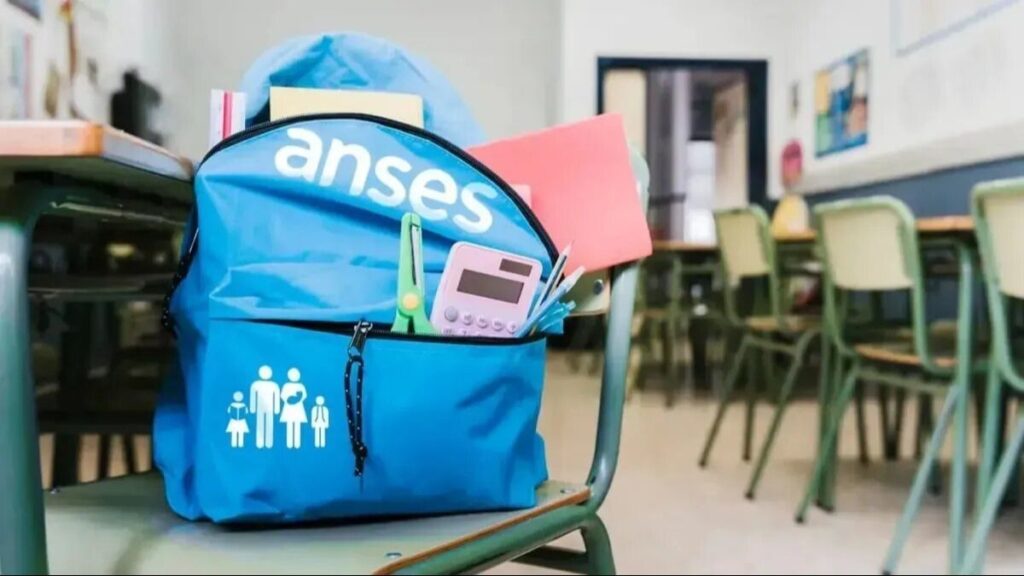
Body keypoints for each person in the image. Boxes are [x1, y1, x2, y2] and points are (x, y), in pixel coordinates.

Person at [249, 365, 280, 449]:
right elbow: (253, 397)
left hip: (269, 408)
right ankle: (260, 442)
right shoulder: (256, 385)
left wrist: (276, 408)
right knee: (261, 424)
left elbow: (276, 397)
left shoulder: (274, 386)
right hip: (261, 408)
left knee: (268, 424)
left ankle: (268, 442)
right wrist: (252, 408)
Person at [280, 368, 308, 449]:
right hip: (289, 408)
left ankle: (297, 443)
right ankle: (289, 443)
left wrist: (297, 399)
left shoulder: (300, 386)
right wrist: (290, 399)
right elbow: (283, 396)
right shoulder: (286, 385)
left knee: (297, 425)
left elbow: (304, 396)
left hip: (298, 408)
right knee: (289, 425)